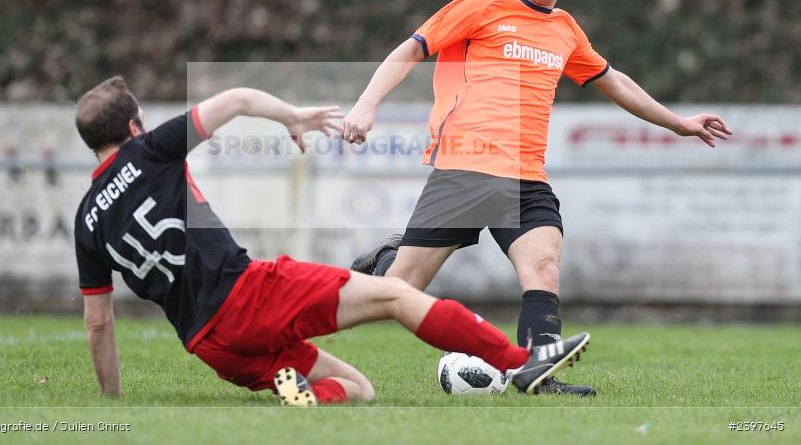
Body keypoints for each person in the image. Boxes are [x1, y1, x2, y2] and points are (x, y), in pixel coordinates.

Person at [342, 0, 732, 396]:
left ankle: (537, 374)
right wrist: (365, 104)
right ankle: (363, 277)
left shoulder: (565, 30)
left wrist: (679, 122)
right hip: (466, 167)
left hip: (525, 174)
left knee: (543, 266)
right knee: (395, 293)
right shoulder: (480, 2)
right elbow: (412, 48)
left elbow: (612, 80)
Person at [72, 76, 591, 405]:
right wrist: (290, 116)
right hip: (251, 295)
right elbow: (233, 100)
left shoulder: (86, 220)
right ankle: (520, 363)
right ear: (136, 126)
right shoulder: (149, 152)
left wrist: (114, 401)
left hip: (213, 347)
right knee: (395, 295)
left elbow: (98, 323)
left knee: (357, 391)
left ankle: (301, 402)